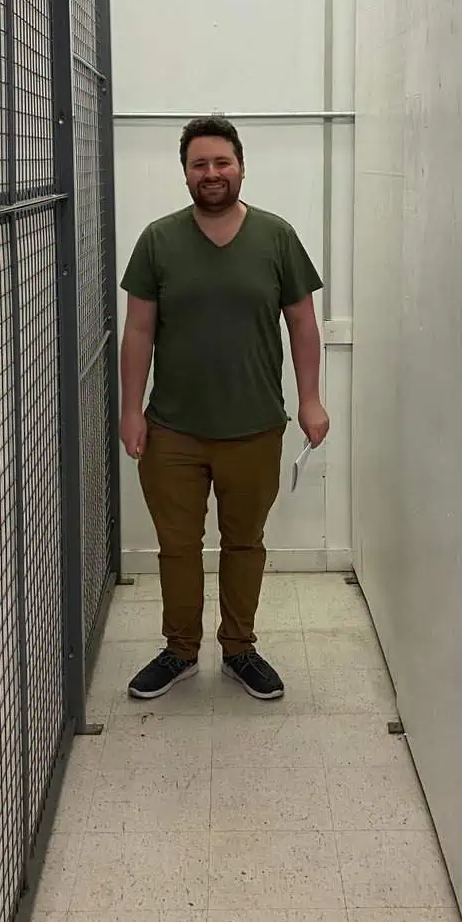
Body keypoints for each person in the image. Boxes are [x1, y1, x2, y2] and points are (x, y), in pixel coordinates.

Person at [118, 115, 330, 702]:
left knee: (244, 542)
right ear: (185, 173)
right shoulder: (158, 240)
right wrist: (130, 410)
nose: (211, 173)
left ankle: (239, 649)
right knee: (178, 547)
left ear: (240, 166)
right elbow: (138, 330)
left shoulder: (276, 236)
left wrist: (310, 399)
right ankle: (180, 650)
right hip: (172, 432)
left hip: (255, 428)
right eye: (199, 164)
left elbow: (303, 325)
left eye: (221, 162)